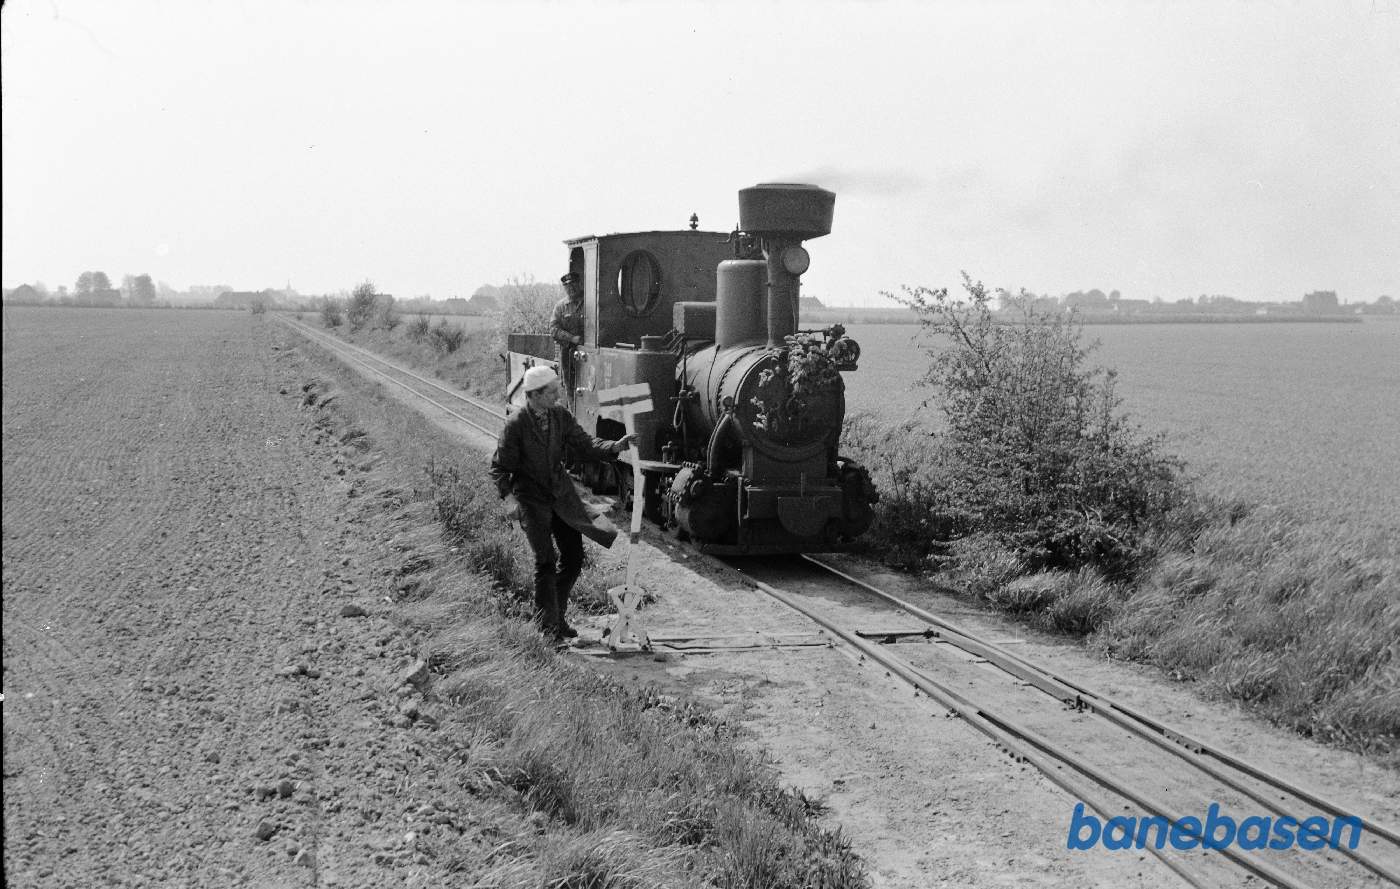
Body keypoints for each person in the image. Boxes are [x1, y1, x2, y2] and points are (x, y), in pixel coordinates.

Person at [490, 365, 637, 641]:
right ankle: (548, 627)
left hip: (560, 495)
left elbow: (585, 444)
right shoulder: (516, 424)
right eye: (552, 392)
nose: (558, 396)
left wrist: (615, 447)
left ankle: (554, 615)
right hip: (531, 499)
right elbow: (499, 468)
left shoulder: (560, 416)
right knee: (545, 561)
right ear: (534, 395)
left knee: (573, 557)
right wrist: (509, 498)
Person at [552, 273, 584, 392]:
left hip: (588, 352)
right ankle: (571, 410)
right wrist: (572, 338)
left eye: (574, 285)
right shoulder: (560, 307)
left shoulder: (590, 302)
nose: (571, 289)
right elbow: (554, 330)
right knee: (570, 387)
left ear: (579, 284)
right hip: (568, 354)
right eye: (568, 287)